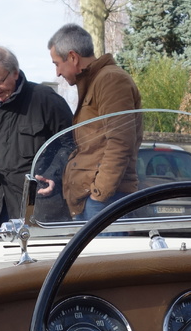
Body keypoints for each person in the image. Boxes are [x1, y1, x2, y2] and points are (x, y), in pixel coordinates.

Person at [0, 45, 73, 227]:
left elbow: (72, 143)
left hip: (40, 207)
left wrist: (53, 174)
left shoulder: (45, 100)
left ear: (15, 73)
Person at [48, 23, 143, 221]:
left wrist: (99, 194)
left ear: (73, 57)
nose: (57, 73)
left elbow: (120, 143)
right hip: (92, 200)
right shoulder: (95, 81)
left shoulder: (110, 80)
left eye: (57, 64)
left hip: (105, 201)